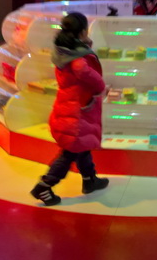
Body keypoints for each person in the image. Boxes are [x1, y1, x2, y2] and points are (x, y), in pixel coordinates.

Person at [30, 12, 109, 206]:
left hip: (69, 106)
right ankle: (43, 187)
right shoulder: (77, 57)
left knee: (82, 147)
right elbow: (83, 70)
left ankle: (90, 179)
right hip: (77, 113)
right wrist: (101, 86)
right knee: (69, 153)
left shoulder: (65, 50)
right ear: (82, 31)